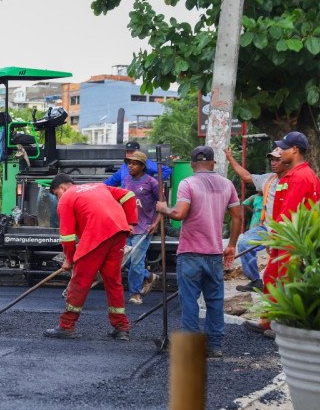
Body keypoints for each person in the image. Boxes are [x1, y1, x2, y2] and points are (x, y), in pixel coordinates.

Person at [156, 145, 242, 358]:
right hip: (214, 253)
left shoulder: (188, 183)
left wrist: (163, 208)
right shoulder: (226, 184)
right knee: (214, 301)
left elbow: (179, 213)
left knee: (189, 301)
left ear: (193, 164)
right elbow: (238, 217)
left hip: (191, 253)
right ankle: (215, 345)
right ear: (213, 162)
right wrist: (231, 245)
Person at [245, 131, 320, 337]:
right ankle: (269, 322)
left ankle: (283, 327)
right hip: (286, 237)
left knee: (286, 280)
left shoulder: (299, 177)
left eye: (284, 149)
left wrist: (276, 236)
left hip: (291, 238)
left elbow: (289, 212)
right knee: (272, 275)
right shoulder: (295, 175)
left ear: (295, 150)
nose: (280, 153)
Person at [45, 174, 138, 340]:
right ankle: (121, 327)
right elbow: (129, 195)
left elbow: (67, 236)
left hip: (96, 237)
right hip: (118, 233)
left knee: (80, 281)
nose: (58, 198)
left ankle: (66, 326)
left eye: (57, 194)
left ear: (63, 188)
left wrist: (69, 259)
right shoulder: (99, 186)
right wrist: (130, 222)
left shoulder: (66, 198)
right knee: (113, 281)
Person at [224, 146, 283, 292]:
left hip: (285, 229)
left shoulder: (294, 178)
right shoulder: (269, 178)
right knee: (244, 242)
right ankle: (255, 281)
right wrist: (230, 158)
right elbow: (246, 176)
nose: (273, 163)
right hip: (266, 227)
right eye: (272, 160)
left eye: (278, 160)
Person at [121, 150, 162, 305]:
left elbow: (162, 206)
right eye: (129, 163)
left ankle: (135, 294)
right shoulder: (125, 181)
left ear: (142, 166)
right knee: (127, 261)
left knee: (136, 261)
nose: (130, 166)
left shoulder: (151, 183)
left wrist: (155, 223)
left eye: (134, 163)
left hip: (144, 227)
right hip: (128, 227)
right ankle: (149, 276)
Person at [104, 140, 172, 187]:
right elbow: (113, 180)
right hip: (127, 200)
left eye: (132, 152)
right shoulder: (125, 166)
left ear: (138, 152)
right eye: (128, 152)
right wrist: (99, 186)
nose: (129, 154)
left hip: (143, 200)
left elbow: (167, 170)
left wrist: (154, 181)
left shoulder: (146, 163)